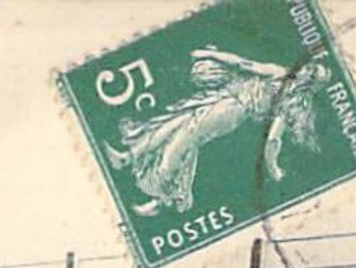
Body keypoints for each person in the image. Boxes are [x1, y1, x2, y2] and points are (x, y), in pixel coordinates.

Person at [103, 48, 330, 216]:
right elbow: (244, 64)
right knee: (174, 122)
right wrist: (212, 55)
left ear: (310, 83)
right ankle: (130, 158)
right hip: (225, 95)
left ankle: (160, 194)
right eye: (309, 67)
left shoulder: (292, 102)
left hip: (232, 109)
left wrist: (273, 167)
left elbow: (273, 139)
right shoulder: (279, 72)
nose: (305, 70)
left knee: (182, 140)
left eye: (310, 73)